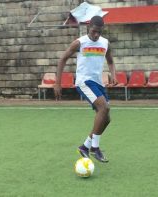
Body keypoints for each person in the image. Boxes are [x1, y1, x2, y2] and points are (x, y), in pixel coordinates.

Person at [54, 15, 117, 163]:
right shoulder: (79, 43)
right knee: (104, 108)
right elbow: (62, 59)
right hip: (84, 82)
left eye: (99, 32)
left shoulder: (105, 43)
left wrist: (113, 75)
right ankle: (95, 148)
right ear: (89, 27)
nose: (96, 35)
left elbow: (111, 61)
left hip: (98, 83)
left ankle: (85, 146)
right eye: (94, 31)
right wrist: (58, 83)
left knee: (106, 119)